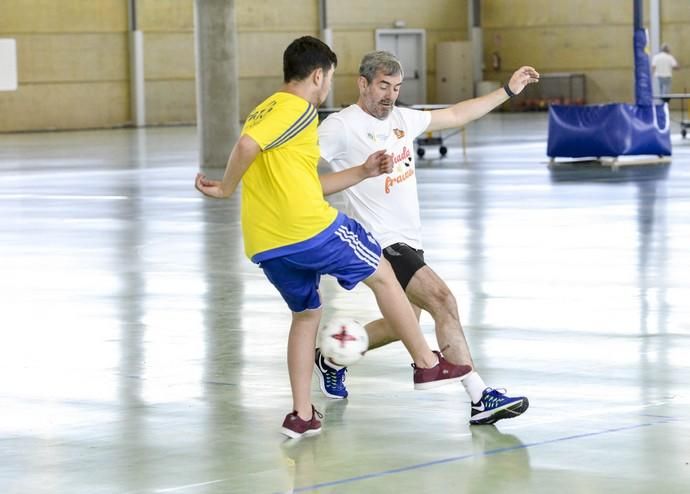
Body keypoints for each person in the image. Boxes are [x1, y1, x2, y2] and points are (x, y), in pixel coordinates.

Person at [194, 37, 471, 439]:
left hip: (266, 243)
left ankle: (302, 414)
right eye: (329, 78)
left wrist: (362, 171)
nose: (328, 87)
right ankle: (427, 363)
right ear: (318, 75)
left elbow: (299, 174)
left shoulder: (263, 109)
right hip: (307, 227)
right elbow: (246, 146)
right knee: (381, 270)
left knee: (307, 315)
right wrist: (225, 188)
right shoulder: (298, 109)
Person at [315, 50, 540, 425]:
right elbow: (299, 170)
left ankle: (333, 356)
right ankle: (479, 396)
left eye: (396, 87)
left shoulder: (403, 118)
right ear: (362, 84)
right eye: (383, 86)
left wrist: (507, 90)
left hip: (410, 239)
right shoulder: (340, 127)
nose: (389, 95)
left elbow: (456, 114)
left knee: (400, 322)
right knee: (443, 300)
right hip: (381, 242)